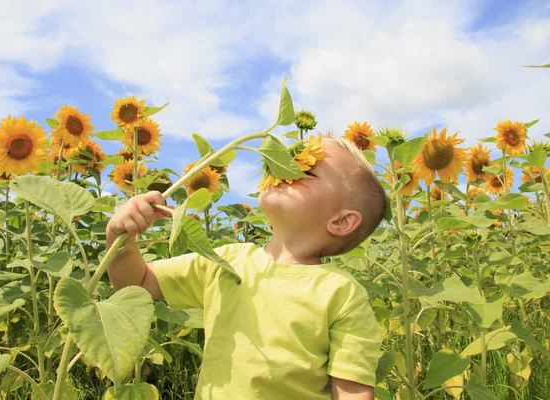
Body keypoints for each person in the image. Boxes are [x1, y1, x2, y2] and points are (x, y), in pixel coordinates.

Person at [106, 134, 387, 400]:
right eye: (287, 161)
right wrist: (120, 234)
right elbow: (137, 283)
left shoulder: (341, 293)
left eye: (306, 169)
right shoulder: (225, 261)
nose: (284, 169)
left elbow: (351, 390)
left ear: (341, 222)